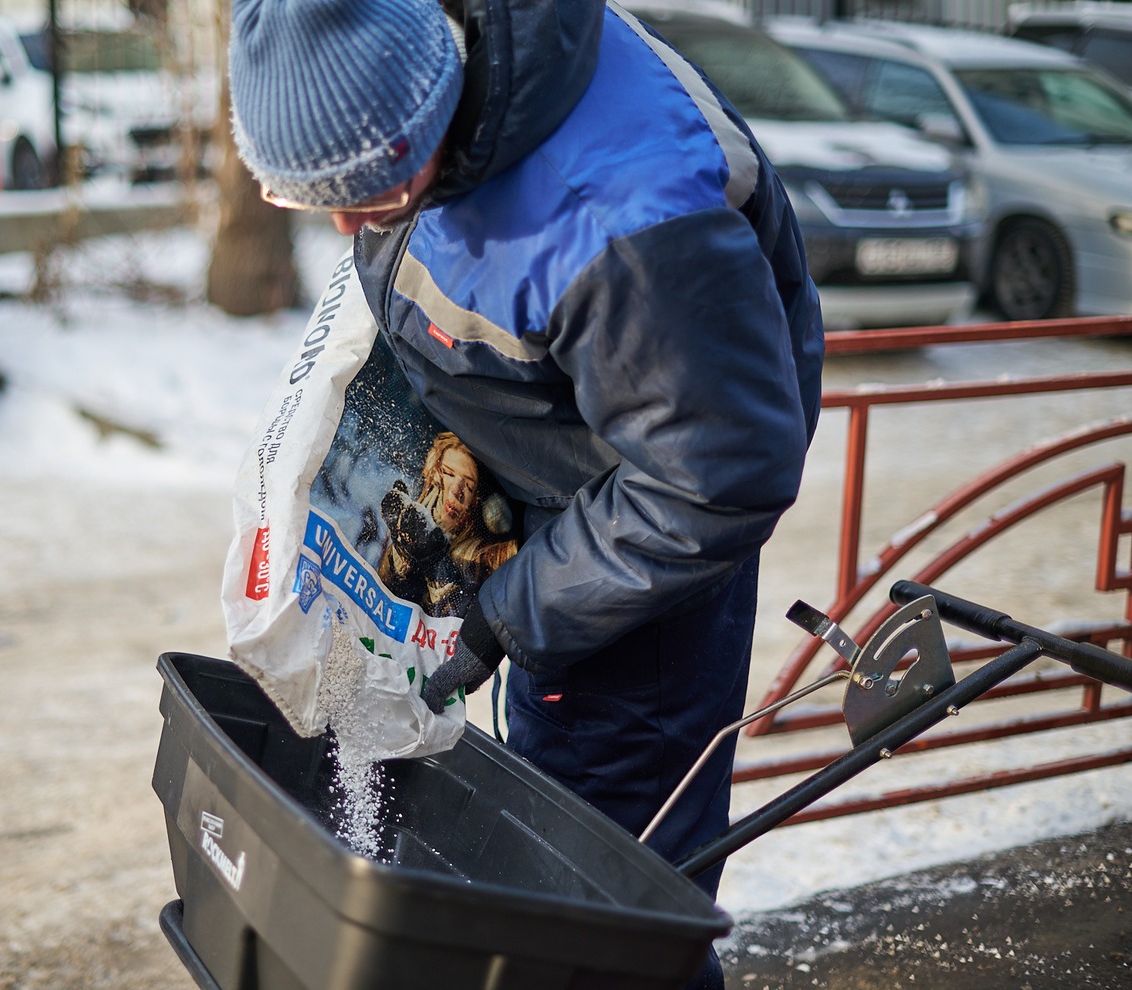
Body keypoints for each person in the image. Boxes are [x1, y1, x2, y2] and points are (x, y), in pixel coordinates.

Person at [228, 2, 825, 986]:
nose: (344, 225)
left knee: (600, 923)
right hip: (544, 501)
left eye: (373, 191)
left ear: (434, 105)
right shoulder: (425, 74)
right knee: (540, 891)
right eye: (306, 198)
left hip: (636, 582)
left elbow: (713, 477)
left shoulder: (624, 224)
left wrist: (513, 612)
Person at [378, 431, 518, 617]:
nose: (456, 490)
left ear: (476, 502)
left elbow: (456, 621)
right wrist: (402, 551)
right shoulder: (413, 520)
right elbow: (385, 600)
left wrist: (436, 566)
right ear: (432, 475)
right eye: (449, 474)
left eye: (468, 487)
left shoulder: (486, 558)